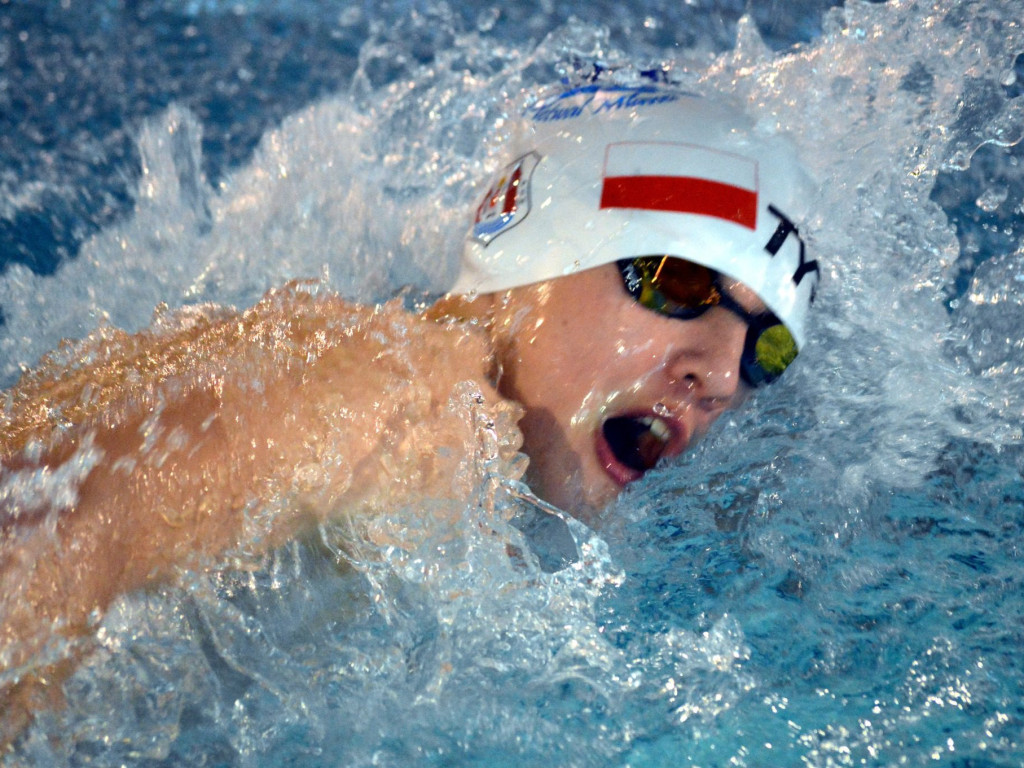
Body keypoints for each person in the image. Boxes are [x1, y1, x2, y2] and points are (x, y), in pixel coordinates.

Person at [0, 81, 818, 742]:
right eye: (678, 284)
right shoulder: (402, 399)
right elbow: (46, 522)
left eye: (764, 351)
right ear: (539, 251)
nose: (718, 377)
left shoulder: (475, 465)